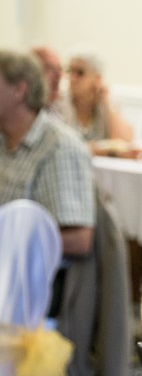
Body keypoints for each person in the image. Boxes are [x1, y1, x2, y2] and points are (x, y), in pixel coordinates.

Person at [0, 50, 95, 257]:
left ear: (19, 90)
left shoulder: (59, 147)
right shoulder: (4, 138)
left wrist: (9, 242)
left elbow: (80, 240)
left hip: (29, 278)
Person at [66, 51, 142, 158]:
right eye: (69, 71)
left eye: (80, 73)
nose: (72, 78)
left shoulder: (105, 104)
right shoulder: (60, 103)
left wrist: (107, 102)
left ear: (97, 79)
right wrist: (104, 150)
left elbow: (124, 143)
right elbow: (64, 147)